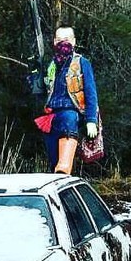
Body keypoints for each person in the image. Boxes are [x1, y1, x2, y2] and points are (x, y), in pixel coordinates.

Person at [42, 26, 99, 174]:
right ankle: (54, 175)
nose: (62, 43)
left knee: (69, 121)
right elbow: (45, 90)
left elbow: (90, 92)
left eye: (66, 40)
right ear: (54, 41)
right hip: (51, 115)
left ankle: (63, 170)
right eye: (59, 40)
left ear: (73, 42)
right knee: (52, 156)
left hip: (71, 112)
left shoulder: (82, 62)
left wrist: (91, 120)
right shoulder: (51, 65)